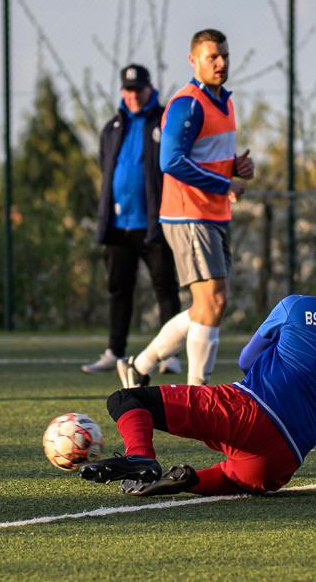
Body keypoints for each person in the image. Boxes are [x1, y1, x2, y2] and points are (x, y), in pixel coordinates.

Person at [81, 229, 316, 497]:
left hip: (245, 413)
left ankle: (140, 456)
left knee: (127, 399)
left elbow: (247, 359)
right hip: (282, 462)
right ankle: (189, 480)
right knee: (234, 475)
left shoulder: (296, 306)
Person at [116, 29, 254, 387]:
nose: (221, 62)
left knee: (205, 307)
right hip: (188, 214)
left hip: (214, 213)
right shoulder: (186, 104)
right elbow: (171, 161)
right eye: (212, 57)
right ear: (193, 61)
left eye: (224, 55)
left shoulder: (225, 102)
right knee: (214, 302)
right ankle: (197, 393)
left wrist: (234, 168)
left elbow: (205, 158)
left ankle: (139, 365)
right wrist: (226, 183)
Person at [82, 64, 183, 376]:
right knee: (118, 288)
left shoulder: (165, 120)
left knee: (165, 289)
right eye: (127, 89)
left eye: (138, 89)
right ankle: (115, 351)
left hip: (155, 224)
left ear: (149, 88)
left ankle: (170, 356)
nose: (133, 95)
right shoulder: (112, 127)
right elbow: (106, 168)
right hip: (118, 226)